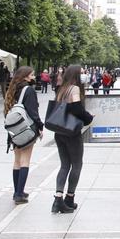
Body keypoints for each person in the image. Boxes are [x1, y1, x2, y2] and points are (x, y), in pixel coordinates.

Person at [49, 65, 93, 214]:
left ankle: (57, 199)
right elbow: (76, 109)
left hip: (59, 131)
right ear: (75, 75)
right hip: (71, 132)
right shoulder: (74, 89)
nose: (83, 75)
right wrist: (89, 118)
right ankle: (69, 197)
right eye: (81, 73)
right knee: (77, 165)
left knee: (64, 165)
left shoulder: (62, 88)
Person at [3, 67, 42, 204]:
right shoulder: (29, 90)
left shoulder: (12, 89)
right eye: (31, 75)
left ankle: (17, 191)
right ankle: (19, 193)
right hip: (26, 129)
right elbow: (33, 111)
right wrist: (40, 126)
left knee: (17, 161)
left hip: (14, 129)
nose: (33, 77)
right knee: (25, 161)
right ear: (25, 77)